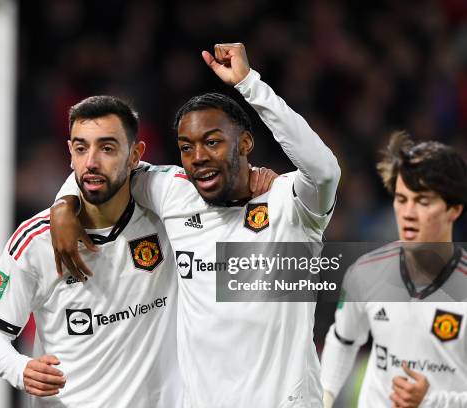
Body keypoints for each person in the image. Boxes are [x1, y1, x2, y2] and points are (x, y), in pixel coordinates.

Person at [52, 43, 341, 407]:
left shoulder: (289, 203)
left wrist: (250, 84)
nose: (198, 157)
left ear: (246, 143)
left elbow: (325, 169)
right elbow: (107, 169)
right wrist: (64, 204)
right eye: (186, 147)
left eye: (213, 142)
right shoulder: (174, 194)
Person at [0, 95, 184, 407]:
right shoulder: (35, 240)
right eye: (81, 148)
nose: (91, 162)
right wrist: (20, 369)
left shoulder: (166, 220)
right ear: (70, 153)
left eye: (107, 148)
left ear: (135, 155)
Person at [320, 132, 467, 408]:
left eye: (423, 201)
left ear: (454, 210)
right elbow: (343, 340)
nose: (408, 213)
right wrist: (324, 398)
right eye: (401, 199)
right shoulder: (366, 272)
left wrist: (432, 402)